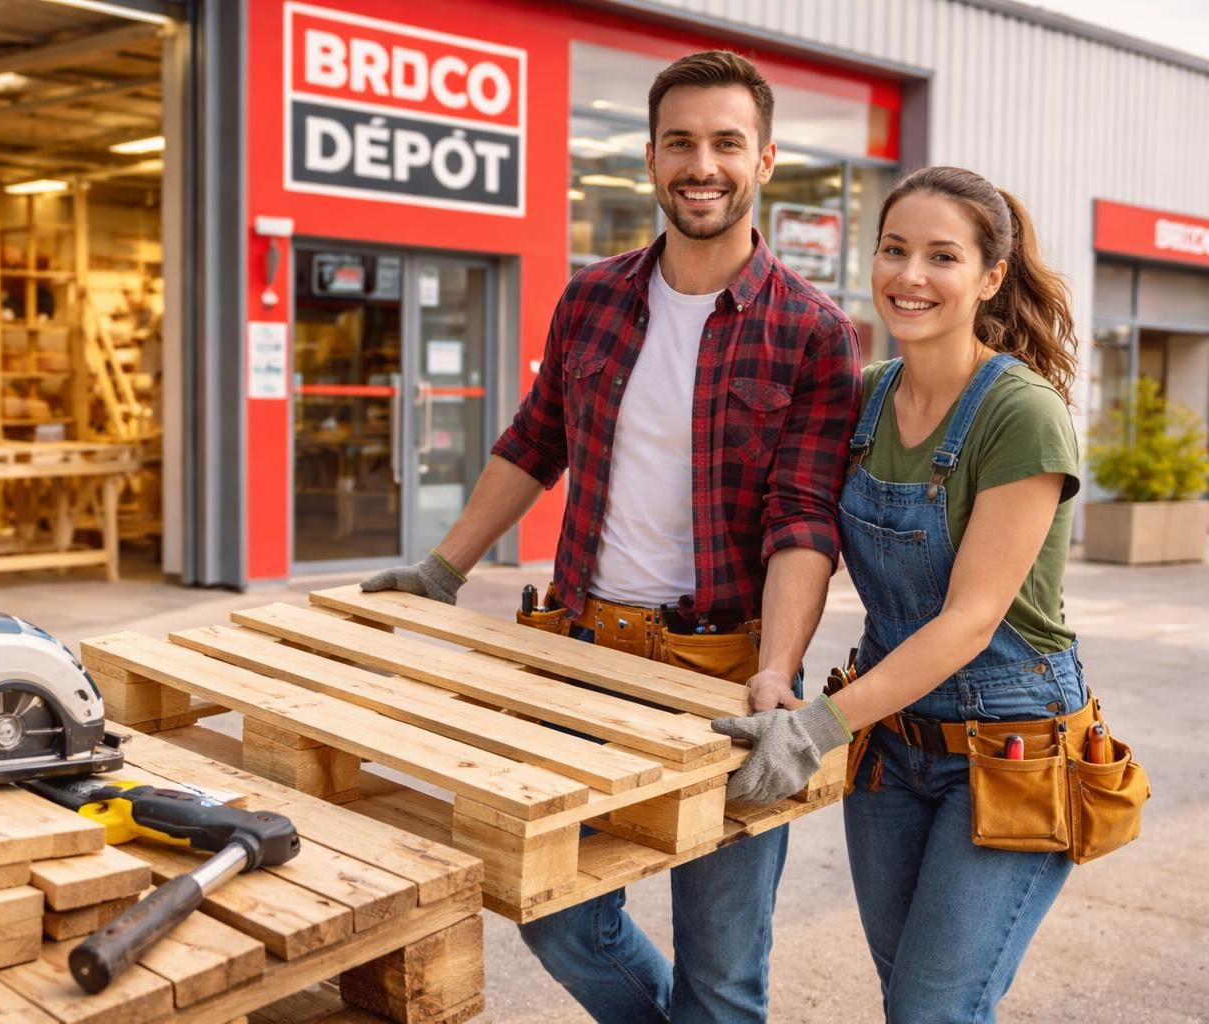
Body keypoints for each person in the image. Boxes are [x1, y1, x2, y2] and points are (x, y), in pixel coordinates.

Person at [361, 51, 861, 1023]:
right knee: (557, 916)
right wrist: (441, 567)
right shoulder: (592, 298)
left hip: (721, 672)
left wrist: (778, 673)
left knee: (722, 972)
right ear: (649, 158)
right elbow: (532, 442)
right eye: (681, 142)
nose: (701, 164)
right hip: (579, 655)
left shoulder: (811, 329)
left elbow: (804, 516)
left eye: (725, 142)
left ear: (764, 160)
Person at [713, 165, 1086, 1022]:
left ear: (991, 277)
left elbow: (970, 619)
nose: (910, 276)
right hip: (892, 745)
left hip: (1010, 748)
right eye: (894, 249)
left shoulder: (1020, 413)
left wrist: (818, 726)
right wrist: (779, 666)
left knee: (932, 1009)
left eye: (942, 256)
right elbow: (803, 528)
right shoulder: (865, 396)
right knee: (909, 1001)